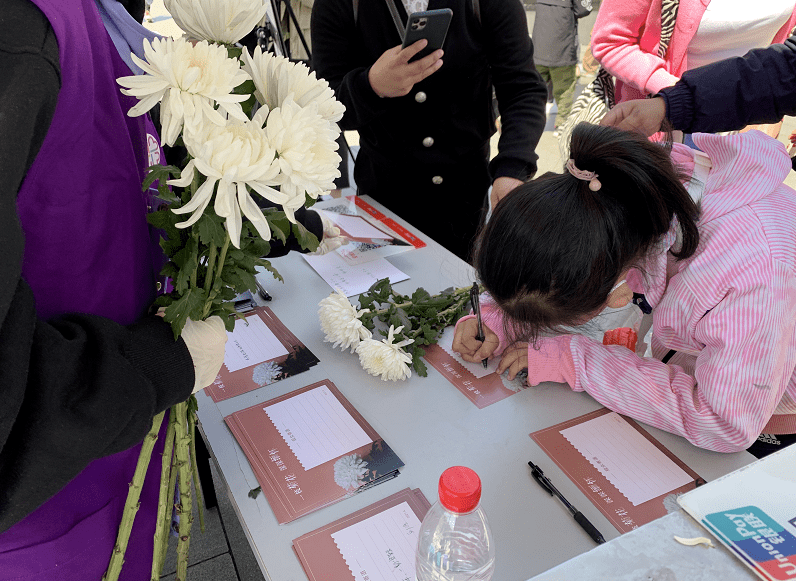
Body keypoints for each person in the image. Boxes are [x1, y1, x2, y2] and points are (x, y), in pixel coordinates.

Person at [0, 0, 230, 578]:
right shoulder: (20, 37)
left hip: (104, 477)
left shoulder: (99, 20)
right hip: (42, 522)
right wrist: (153, 365)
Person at [453, 123, 796, 457]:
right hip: (700, 360)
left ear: (612, 289)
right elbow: (556, 264)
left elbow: (722, 422)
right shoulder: (619, 192)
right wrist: (498, 318)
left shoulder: (753, 277)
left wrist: (577, 361)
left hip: (766, 411)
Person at [310, 0, 548, 261]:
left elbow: (522, 88)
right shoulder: (341, 5)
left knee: (460, 294)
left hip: (466, 199)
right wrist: (370, 85)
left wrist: (512, 168)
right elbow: (324, 103)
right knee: (382, 296)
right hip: (382, 196)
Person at [590, 0, 796, 136]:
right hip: (667, 119)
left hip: (748, 125)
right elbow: (610, 42)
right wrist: (680, 95)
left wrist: (773, 110)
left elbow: (786, 57)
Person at [532, 0, 593, 136]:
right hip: (562, 49)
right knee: (565, 90)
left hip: (539, 47)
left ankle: (532, 123)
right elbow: (584, 9)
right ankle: (561, 125)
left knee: (535, 89)